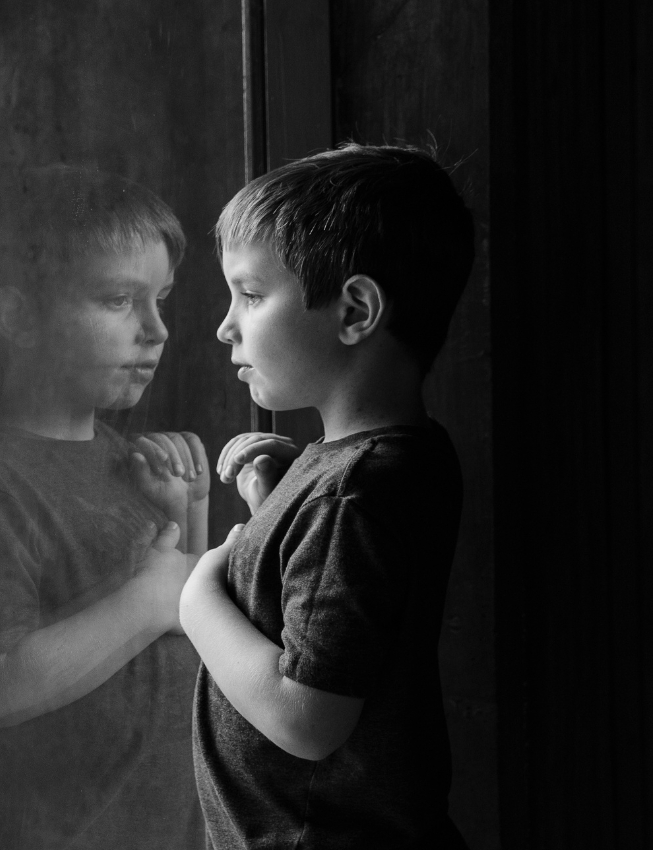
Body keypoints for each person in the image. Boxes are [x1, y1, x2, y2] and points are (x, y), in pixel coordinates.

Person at [179, 144, 474, 849]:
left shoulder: (355, 492)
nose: (226, 325)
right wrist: (277, 508)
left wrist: (196, 598)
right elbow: (329, 604)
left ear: (356, 310)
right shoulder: (390, 461)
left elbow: (308, 718)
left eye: (250, 295)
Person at [0, 164, 208, 849]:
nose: (156, 331)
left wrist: (188, 510)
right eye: (118, 300)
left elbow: (187, 625)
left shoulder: (132, 461)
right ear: (19, 315)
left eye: (161, 300)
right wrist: (145, 602)